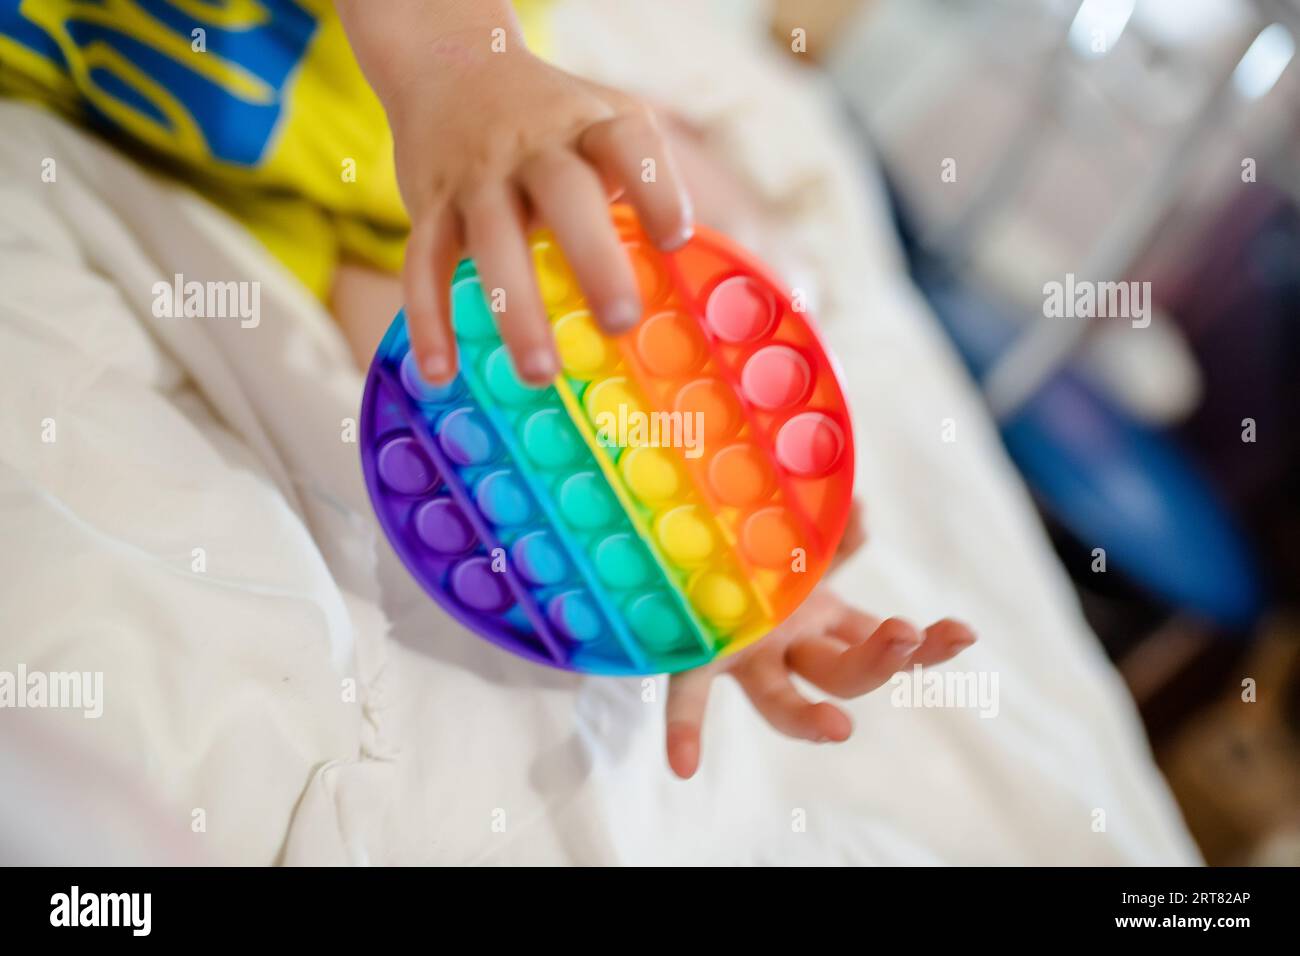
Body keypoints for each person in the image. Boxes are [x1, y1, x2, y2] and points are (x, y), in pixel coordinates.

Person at [0, 0, 973, 778]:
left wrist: (695, 549)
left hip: (424, 118)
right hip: (372, 112)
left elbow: (432, 352)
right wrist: (453, 55)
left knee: (693, 238)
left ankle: (722, 193)